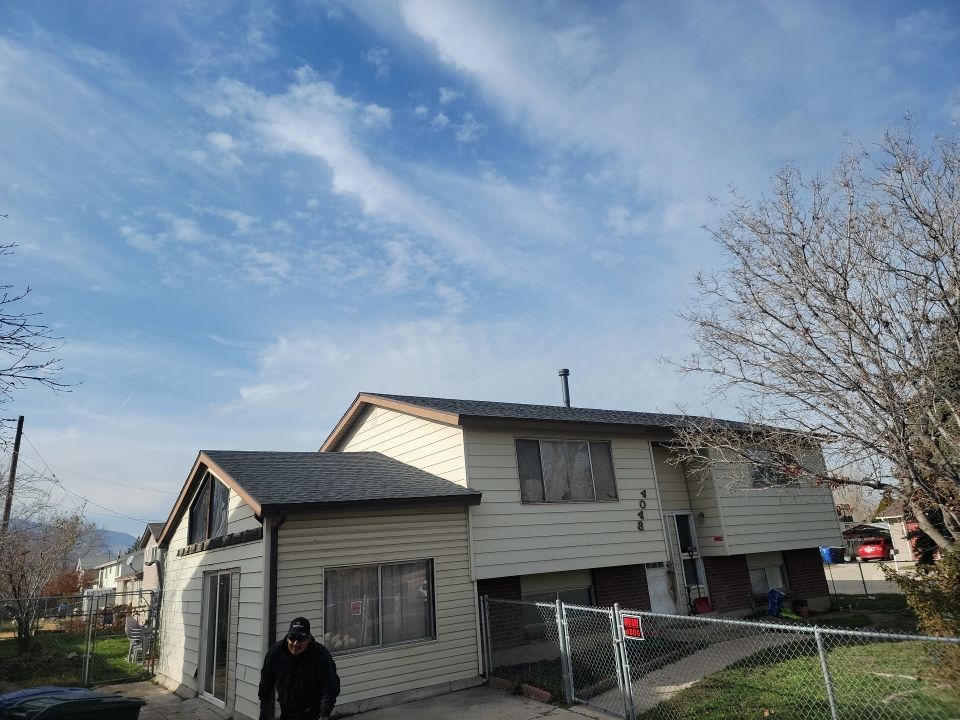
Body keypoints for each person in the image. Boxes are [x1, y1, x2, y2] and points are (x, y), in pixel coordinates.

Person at [259, 616, 340, 720]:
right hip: (287, 713)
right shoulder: (276, 652)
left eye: (301, 638)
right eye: (292, 637)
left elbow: (330, 685)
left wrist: (325, 712)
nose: (296, 643)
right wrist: (263, 710)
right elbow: (266, 680)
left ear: (309, 638)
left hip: (312, 714)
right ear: (287, 637)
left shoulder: (320, 655)